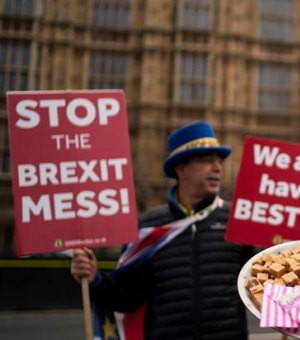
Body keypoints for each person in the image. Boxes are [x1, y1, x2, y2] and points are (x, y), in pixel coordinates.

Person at [70, 121, 252, 339]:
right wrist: (94, 279)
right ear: (181, 169)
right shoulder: (149, 226)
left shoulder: (237, 219)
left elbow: (261, 285)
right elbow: (128, 298)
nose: (218, 168)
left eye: (219, 161)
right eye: (207, 160)